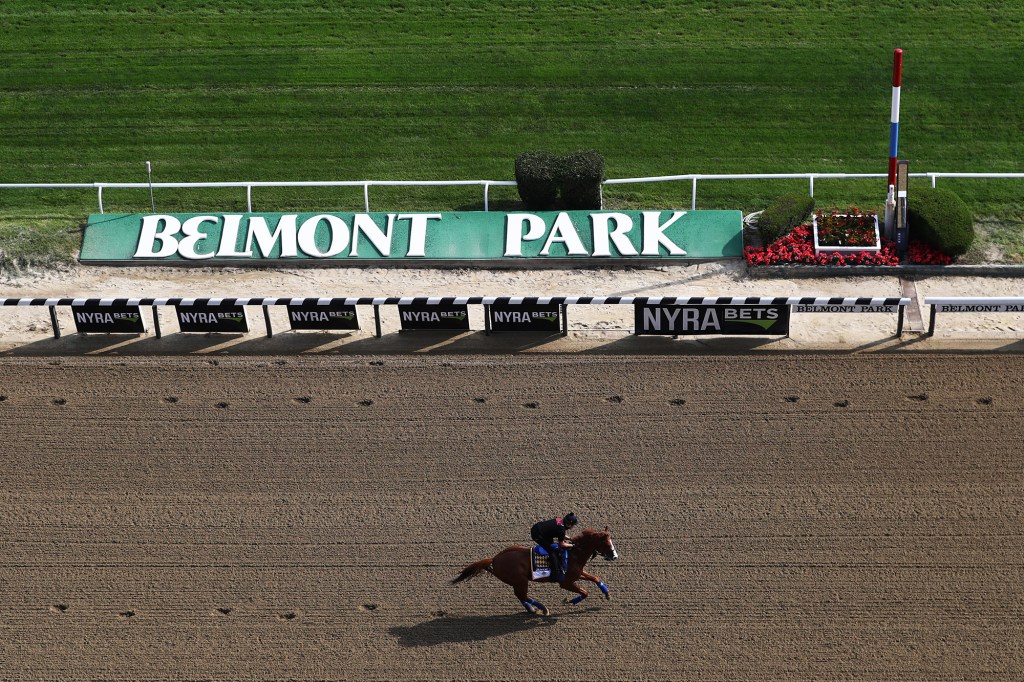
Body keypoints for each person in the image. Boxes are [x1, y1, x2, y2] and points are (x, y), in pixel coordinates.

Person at [530, 512, 579, 582]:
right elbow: (562, 544)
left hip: (538, 528)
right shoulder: (561, 529)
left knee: (552, 544)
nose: (573, 527)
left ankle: (550, 560)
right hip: (537, 535)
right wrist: (573, 545)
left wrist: (570, 538)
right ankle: (554, 575)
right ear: (568, 524)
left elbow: (560, 533)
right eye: (573, 525)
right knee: (552, 550)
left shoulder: (559, 520)